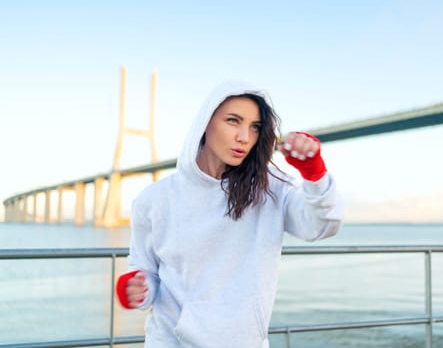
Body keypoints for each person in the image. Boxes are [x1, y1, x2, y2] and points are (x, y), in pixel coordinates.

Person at [116, 80, 344, 347]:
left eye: (255, 127)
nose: (245, 137)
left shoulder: (270, 189)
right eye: (233, 121)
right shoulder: (153, 199)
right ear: (206, 122)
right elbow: (145, 270)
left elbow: (321, 225)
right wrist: (136, 288)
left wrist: (313, 172)